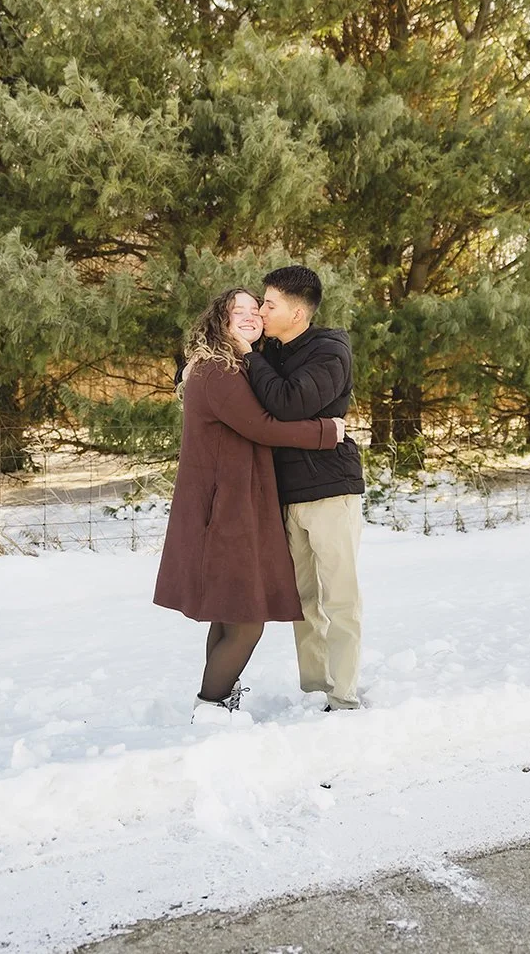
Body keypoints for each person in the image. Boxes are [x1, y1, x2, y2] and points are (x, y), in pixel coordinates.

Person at [153, 288, 346, 725]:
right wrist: (327, 431)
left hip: (233, 501)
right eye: (235, 310)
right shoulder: (218, 370)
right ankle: (212, 704)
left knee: (226, 612)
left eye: (254, 310)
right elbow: (262, 426)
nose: (248, 316)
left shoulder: (233, 366)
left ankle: (213, 701)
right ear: (218, 320)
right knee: (246, 618)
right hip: (227, 509)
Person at [230, 266, 364, 712]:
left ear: (298, 312)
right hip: (287, 494)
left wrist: (250, 356)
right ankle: (314, 689)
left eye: (270, 304)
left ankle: (343, 695)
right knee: (303, 599)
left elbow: (288, 405)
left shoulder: (329, 351)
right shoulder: (273, 349)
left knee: (340, 596)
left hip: (330, 489)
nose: (262, 312)